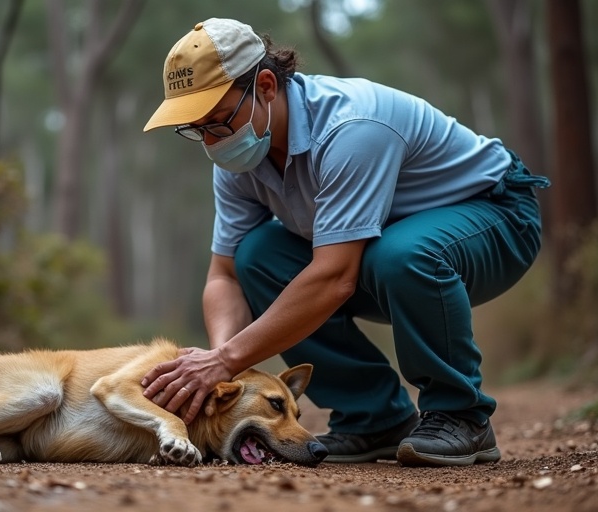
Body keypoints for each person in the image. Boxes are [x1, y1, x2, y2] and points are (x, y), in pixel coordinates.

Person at [140, 18, 550, 467]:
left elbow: (335, 277)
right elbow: (225, 276)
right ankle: (373, 418)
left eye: (218, 121)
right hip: (381, 254)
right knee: (256, 256)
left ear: (266, 86)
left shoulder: (351, 129)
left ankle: (462, 416)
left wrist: (224, 358)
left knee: (403, 253)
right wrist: (224, 365)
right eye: (197, 129)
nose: (212, 142)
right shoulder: (240, 162)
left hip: (496, 218)